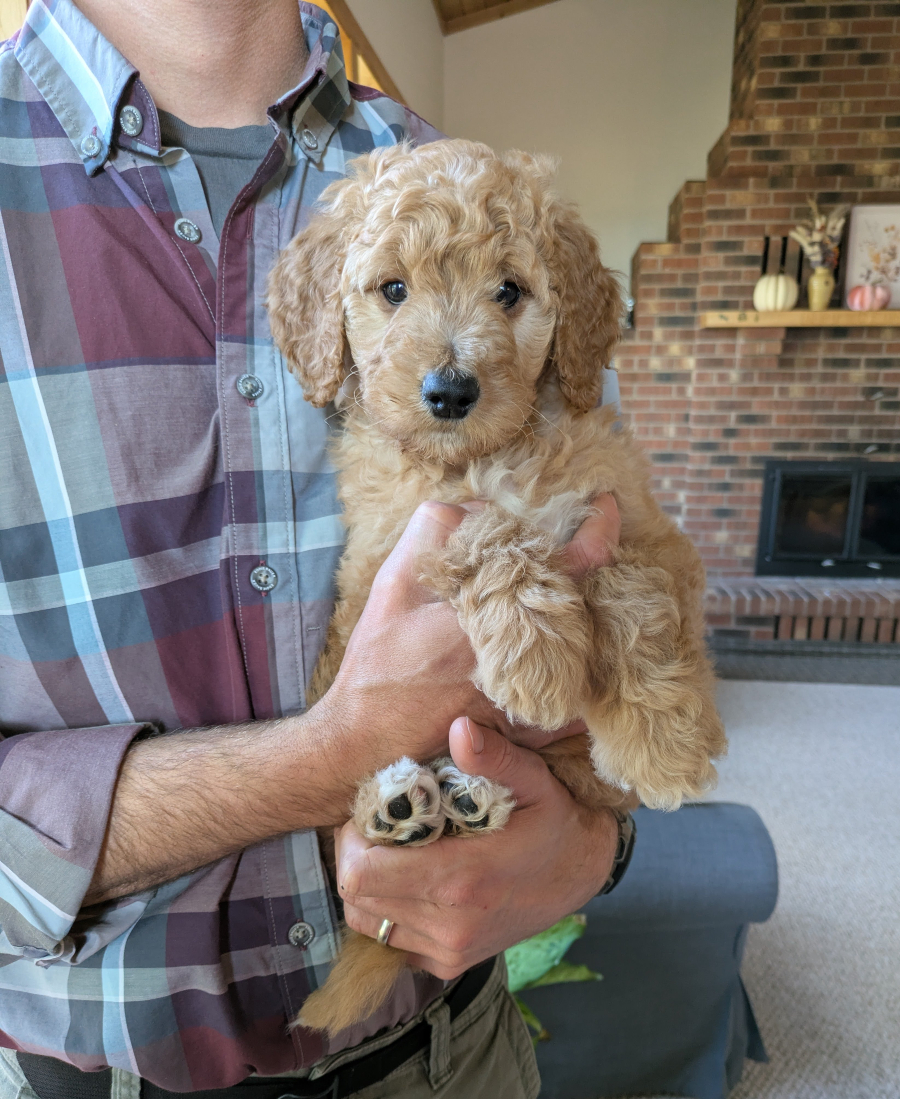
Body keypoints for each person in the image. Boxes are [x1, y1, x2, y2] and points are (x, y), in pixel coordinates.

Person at [0, 1, 625, 1096]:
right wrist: (330, 756)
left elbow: (620, 610)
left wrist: (593, 845)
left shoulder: (479, 197)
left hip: (457, 1053)